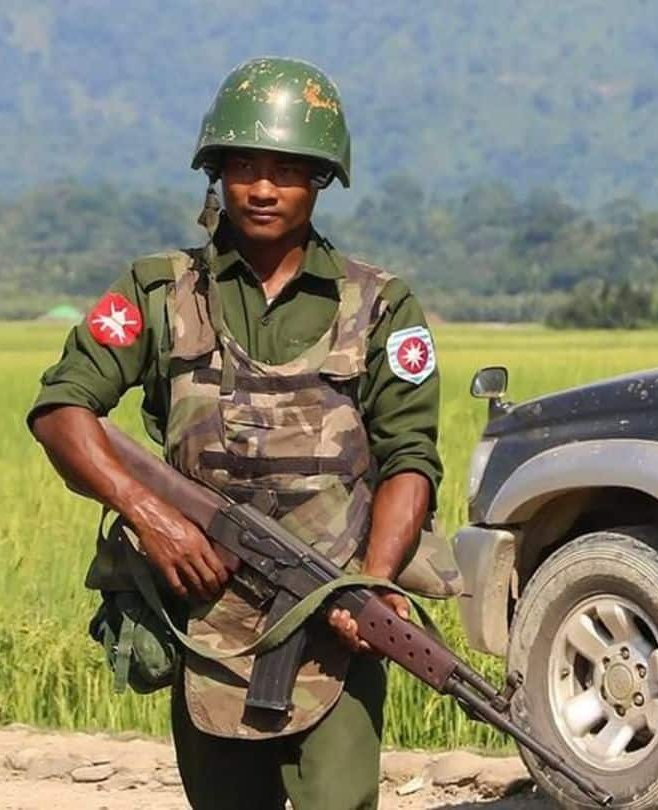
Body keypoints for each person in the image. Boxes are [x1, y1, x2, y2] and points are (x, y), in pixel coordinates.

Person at [26, 57, 442, 809]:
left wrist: (371, 586)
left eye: (286, 169)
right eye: (242, 166)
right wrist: (150, 517)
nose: (259, 187)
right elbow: (62, 412)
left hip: (334, 622)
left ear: (322, 179)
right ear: (214, 176)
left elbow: (411, 457)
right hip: (206, 621)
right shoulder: (159, 292)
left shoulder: (381, 304)